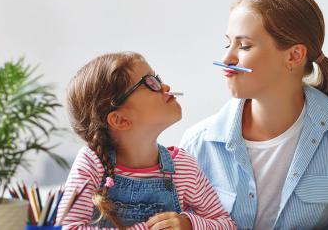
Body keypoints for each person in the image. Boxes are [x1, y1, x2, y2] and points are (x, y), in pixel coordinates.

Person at [180, 0, 328, 229]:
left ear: (294, 56)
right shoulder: (197, 144)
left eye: (244, 46)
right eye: (228, 44)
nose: (227, 60)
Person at [57, 52, 236, 230]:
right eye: (150, 83)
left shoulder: (183, 166)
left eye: (157, 79)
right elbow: (68, 227)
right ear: (120, 120)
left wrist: (189, 224)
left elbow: (226, 225)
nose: (165, 86)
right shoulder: (91, 163)